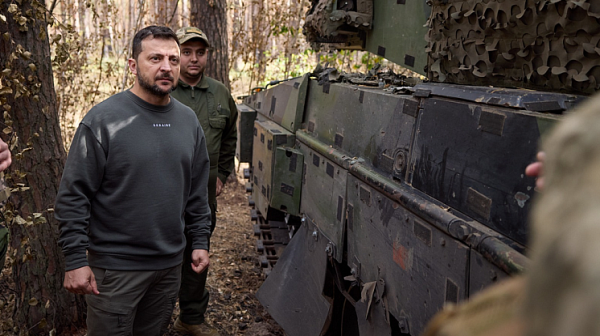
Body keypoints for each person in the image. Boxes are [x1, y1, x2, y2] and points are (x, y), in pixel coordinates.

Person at [55, 26, 212, 335]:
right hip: (115, 271)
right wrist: (75, 259)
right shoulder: (102, 120)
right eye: (155, 58)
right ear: (132, 65)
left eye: (173, 59)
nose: (166, 67)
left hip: (169, 267)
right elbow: (74, 195)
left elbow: (197, 190)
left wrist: (200, 241)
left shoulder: (188, 120)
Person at [170, 27, 238, 336]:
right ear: (178, 55)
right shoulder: (164, 88)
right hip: (165, 191)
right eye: (187, 52)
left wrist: (222, 174)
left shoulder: (220, 92)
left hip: (204, 193)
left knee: (197, 254)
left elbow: (230, 136)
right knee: (158, 253)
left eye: (200, 52)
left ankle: (191, 319)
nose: (194, 59)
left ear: (207, 55)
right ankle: (149, 317)